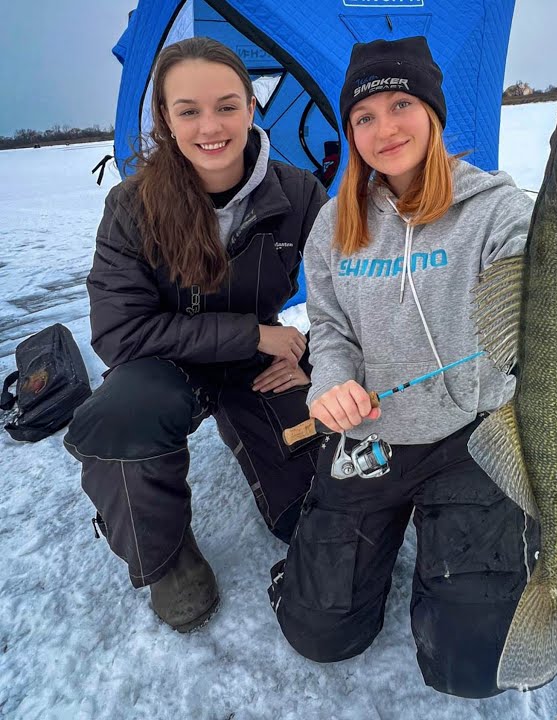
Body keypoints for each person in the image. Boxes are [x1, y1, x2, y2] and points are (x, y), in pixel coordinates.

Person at [268, 36, 539, 699]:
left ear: (433, 113)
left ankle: (497, 545)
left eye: (401, 105)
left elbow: (538, 275)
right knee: (319, 633)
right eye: (364, 116)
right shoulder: (335, 224)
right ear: (350, 131)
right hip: (372, 437)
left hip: (472, 435)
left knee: (473, 664)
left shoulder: (498, 209)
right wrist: (331, 382)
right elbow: (329, 326)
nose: (384, 128)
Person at [63, 37, 329, 632]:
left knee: (310, 512)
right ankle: (165, 556)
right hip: (162, 367)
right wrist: (253, 334)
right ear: (165, 118)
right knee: (122, 415)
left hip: (258, 364)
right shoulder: (132, 206)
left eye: (227, 106)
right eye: (189, 111)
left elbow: (348, 295)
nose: (211, 126)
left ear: (252, 108)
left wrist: (311, 351)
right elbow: (121, 333)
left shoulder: (301, 195)